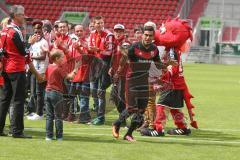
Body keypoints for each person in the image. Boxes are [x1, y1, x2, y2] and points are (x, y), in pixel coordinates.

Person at [112, 26, 167, 141]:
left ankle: (128, 134)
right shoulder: (134, 47)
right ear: (142, 35)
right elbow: (123, 59)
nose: (147, 37)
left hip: (144, 81)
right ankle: (117, 123)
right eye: (146, 35)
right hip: (131, 80)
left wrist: (166, 67)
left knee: (141, 110)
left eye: (150, 35)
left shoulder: (154, 49)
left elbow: (158, 64)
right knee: (132, 108)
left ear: (153, 37)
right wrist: (118, 71)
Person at [0, 5, 43, 138]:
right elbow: (23, 52)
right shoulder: (15, 31)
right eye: (22, 14)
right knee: (18, 100)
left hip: (6, 68)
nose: (24, 16)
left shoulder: (4, 30)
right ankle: (17, 131)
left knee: (4, 99)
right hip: (16, 68)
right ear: (16, 16)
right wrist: (30, 43)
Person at [44, 49, 80, 141]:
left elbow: (45, 77)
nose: (64, 59)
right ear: (56, 58)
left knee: (49, 116)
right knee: (58, 116)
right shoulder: (58, 68)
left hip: (47, 92)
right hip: (56, 93)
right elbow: (69, 77)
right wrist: (76, 68)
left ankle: (48, 136)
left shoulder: (49, 67)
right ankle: (59, 137)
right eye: (62, 57)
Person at [89, 16, 114, 125]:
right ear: (93, 24)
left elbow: (109, 52)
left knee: (100, 90)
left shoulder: (109, 35)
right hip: (95, 63)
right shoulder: (92, 34)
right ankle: (97, 113)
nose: (99, 25)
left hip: (105, 63)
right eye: (97, 23)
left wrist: (98, 49)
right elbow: (90, 47)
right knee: (93, 89)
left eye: (101, 23)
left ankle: (101, 117)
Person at [26, 20, 49, 120]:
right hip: (33, 70)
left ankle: (39, 113)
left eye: (39, 30)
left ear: (42, 30)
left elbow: (44, 56)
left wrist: (32, 57)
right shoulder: (33, 42)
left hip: (41, 70)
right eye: (35, 31)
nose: (37, 32)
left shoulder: (44, 42)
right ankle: (36, 112)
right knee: (34, 92)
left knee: (39, 92)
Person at [109, 24, 130, 121]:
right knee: (115, 97)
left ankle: (123, 118)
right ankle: (122, 117)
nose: (118, 33)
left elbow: (125, 58)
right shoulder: (115, 43)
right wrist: (111, 68)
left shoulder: (125, 43)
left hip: (123, 74)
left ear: (124, 33)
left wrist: (118, 71)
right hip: (116, 74)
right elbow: (114, 58)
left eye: (120, 31)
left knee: (121, 97)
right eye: (116, 31)